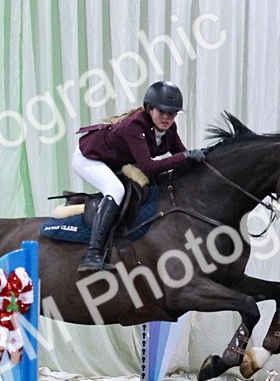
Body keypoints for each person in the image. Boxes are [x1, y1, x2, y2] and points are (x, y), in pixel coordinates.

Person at [72, 81, 206, 271]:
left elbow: (181, 157)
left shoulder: (169, 129)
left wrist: (203, 157)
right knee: (115, 190)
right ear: (149, 109)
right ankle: (92, 254)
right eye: (162, 112)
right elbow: (149, 167)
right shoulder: (134, 126)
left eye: (172, 113)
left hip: (115, 161)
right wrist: (186, 156)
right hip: (88, 158)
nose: (167, 118)